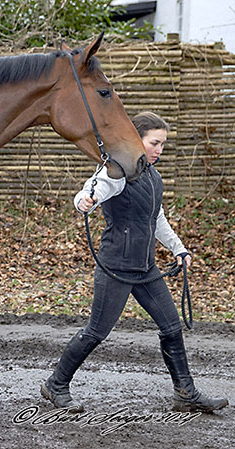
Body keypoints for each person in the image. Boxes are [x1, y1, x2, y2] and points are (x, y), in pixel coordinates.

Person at [40, 112, 228, 413]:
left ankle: (185, 393)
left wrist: (179, 249)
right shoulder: (116, 170)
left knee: (171, 327)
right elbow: (90, 192)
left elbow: (157, 219)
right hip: (115, 268)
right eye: (155, 143)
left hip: (145, 269)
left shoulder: (153, 177)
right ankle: (56, 384)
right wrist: (84, 202)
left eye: (163, 145)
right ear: (136, 138)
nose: (159, 150)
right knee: (96, 332)